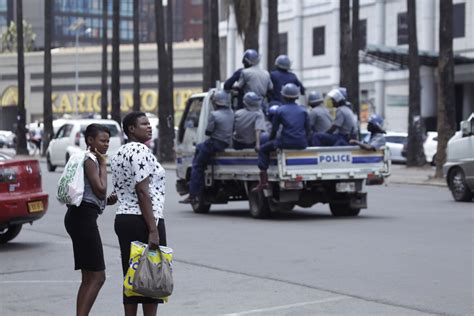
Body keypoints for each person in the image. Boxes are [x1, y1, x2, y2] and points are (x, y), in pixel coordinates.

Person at [111, 112, 167, 316]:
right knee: (151, 275)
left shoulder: (120, 152)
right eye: (144, 124)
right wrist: (153, 229)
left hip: (124, 218)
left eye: (149, 123)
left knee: (132, 276)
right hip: (142, 219)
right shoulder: (140, 150)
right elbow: (142, 191)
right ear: (131, 129)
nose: (149, 127)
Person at [64, 123, 117, 316]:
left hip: (79, 216)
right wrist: (104, 164)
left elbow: (93, 194)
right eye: (102, 141)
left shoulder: (87, 158)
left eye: (108, 141)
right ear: (90, 140)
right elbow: (101, 189)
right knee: (98, 277)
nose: (106, 145)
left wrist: (105, 202)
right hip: (82, 219)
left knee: (88, 277)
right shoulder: (91, 160)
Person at [253, 83, 310, 192]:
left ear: (283, 96)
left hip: (286, 142)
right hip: (301, 143)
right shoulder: (303, 110)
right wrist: (303, 140)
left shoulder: (280, 110)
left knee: (263, 149)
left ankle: (263, 181)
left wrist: (270, 141)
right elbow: (308, 130)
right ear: (297, 97)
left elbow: (274, 130)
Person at [180, 91, 234, 204]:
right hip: (225, 143)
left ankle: (193, 195)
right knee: (200, 147)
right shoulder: (231, 113)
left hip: (214, 143)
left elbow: (208, 132)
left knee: (197, 166)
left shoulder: (214, 115)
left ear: (216, 103)